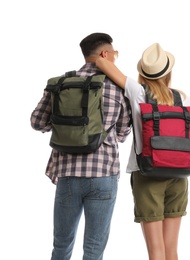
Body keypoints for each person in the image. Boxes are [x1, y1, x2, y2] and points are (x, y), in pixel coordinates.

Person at [96, 42, 190, 260]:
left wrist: (110, 54)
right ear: (169, 73)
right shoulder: (181, 98)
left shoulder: (137, 91)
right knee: (171, 251)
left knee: (156, 252)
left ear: (143, 73)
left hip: (148, 174)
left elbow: (101, 61)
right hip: (179, 175)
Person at [30, 33, 131, 260]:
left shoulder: (61, 84)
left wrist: (64, 127)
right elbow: (124, 133)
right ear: (105, 54)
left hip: (67, 174)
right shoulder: (118, 87)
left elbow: (37, 122)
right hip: (104, 175)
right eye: (114, 54)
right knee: (94, 249)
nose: (116, 58)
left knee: (61, 245)